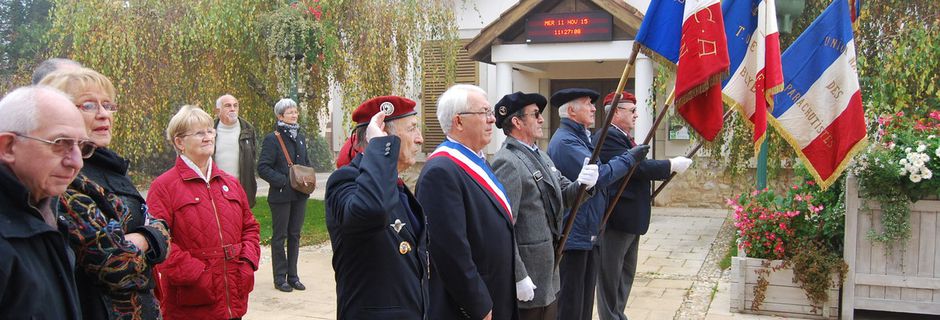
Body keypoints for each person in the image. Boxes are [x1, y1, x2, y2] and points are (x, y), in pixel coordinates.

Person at [40, 67, 171, 320]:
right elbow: (116, 265)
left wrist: (143, 236)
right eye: (88, 105)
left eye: (108, 105)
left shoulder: (111, 168)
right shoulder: (63, 176)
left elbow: (160, 228)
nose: (103, 115)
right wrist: (151, 236)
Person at [489, 92, 599, 320]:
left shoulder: (541, 155)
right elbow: (503, 227)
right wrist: (518, 275)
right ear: (517, 122)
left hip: (548, 270)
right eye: (535, 114)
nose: (541, 119)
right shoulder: (507, 162)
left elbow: (564, 196)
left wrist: (583, 184)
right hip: (529, 273)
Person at [148, 105, 260, 320]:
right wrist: (198, 275)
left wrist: (246, 264)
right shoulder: (164, 187)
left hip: (232, 299)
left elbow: (250, 227)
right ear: (179, 142)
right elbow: (159, 242)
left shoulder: (230, 183)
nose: (208, 137)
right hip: (191, 302)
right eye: (200, 133)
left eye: (210, 131)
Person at [546, 88, 649, 320]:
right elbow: (599, 178)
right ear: (571, 111)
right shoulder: (566, 143)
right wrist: (629, 158)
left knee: (584, 305)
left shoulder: (582, 137)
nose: (594, 108)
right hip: (574, 233)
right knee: (571, 305)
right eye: (587, 104)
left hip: (589, 230)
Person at [416, 84, 516, 320]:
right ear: (459, 122)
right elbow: (450, 250)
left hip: (495, 294)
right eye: (484, 113)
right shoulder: (441, 171)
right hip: (469, 308)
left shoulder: (477, 160)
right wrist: (478, 305)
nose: (492, 119)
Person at [326, 95, 428, 319]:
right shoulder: (345, 181)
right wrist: (381, 149)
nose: (420, 139)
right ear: (383, 135)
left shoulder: (393, 182)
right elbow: (372, 211)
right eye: (411, 129)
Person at [594, 92, 692, 320]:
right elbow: (634, 168)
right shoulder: (607, 136)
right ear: (616, 112)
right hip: (616, 217)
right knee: (610, 276)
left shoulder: (624, 137)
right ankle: (610, 316)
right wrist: (669, 165)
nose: (637, 115)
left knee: (625, 274)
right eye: (631, 110)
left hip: (630, 218)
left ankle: (618, 314)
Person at [0, 85, 88, 319]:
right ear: (8, 146)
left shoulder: (44, 214)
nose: (76, 162)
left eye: (82, 146)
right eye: (60, 143)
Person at [257, 98, 310, 292]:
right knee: (280, 236)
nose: (294, 115)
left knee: (295, 235)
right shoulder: (273, 138)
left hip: (300, 195)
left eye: (295, 112)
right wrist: (283, 181)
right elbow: (263, 167)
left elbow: (306, 162)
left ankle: (293, 276)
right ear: (280, 116)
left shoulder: (300, 137)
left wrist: (308, 179)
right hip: (280, 196)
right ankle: (280, 278)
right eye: (290, 112)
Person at [214, 94, 258, 208]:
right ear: (218, 110)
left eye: (235, 105)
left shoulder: (248, 129)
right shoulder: (209, 129)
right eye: (228, 106)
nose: (233, 109)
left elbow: (252, 156)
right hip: (215, 188)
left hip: (241, 188)